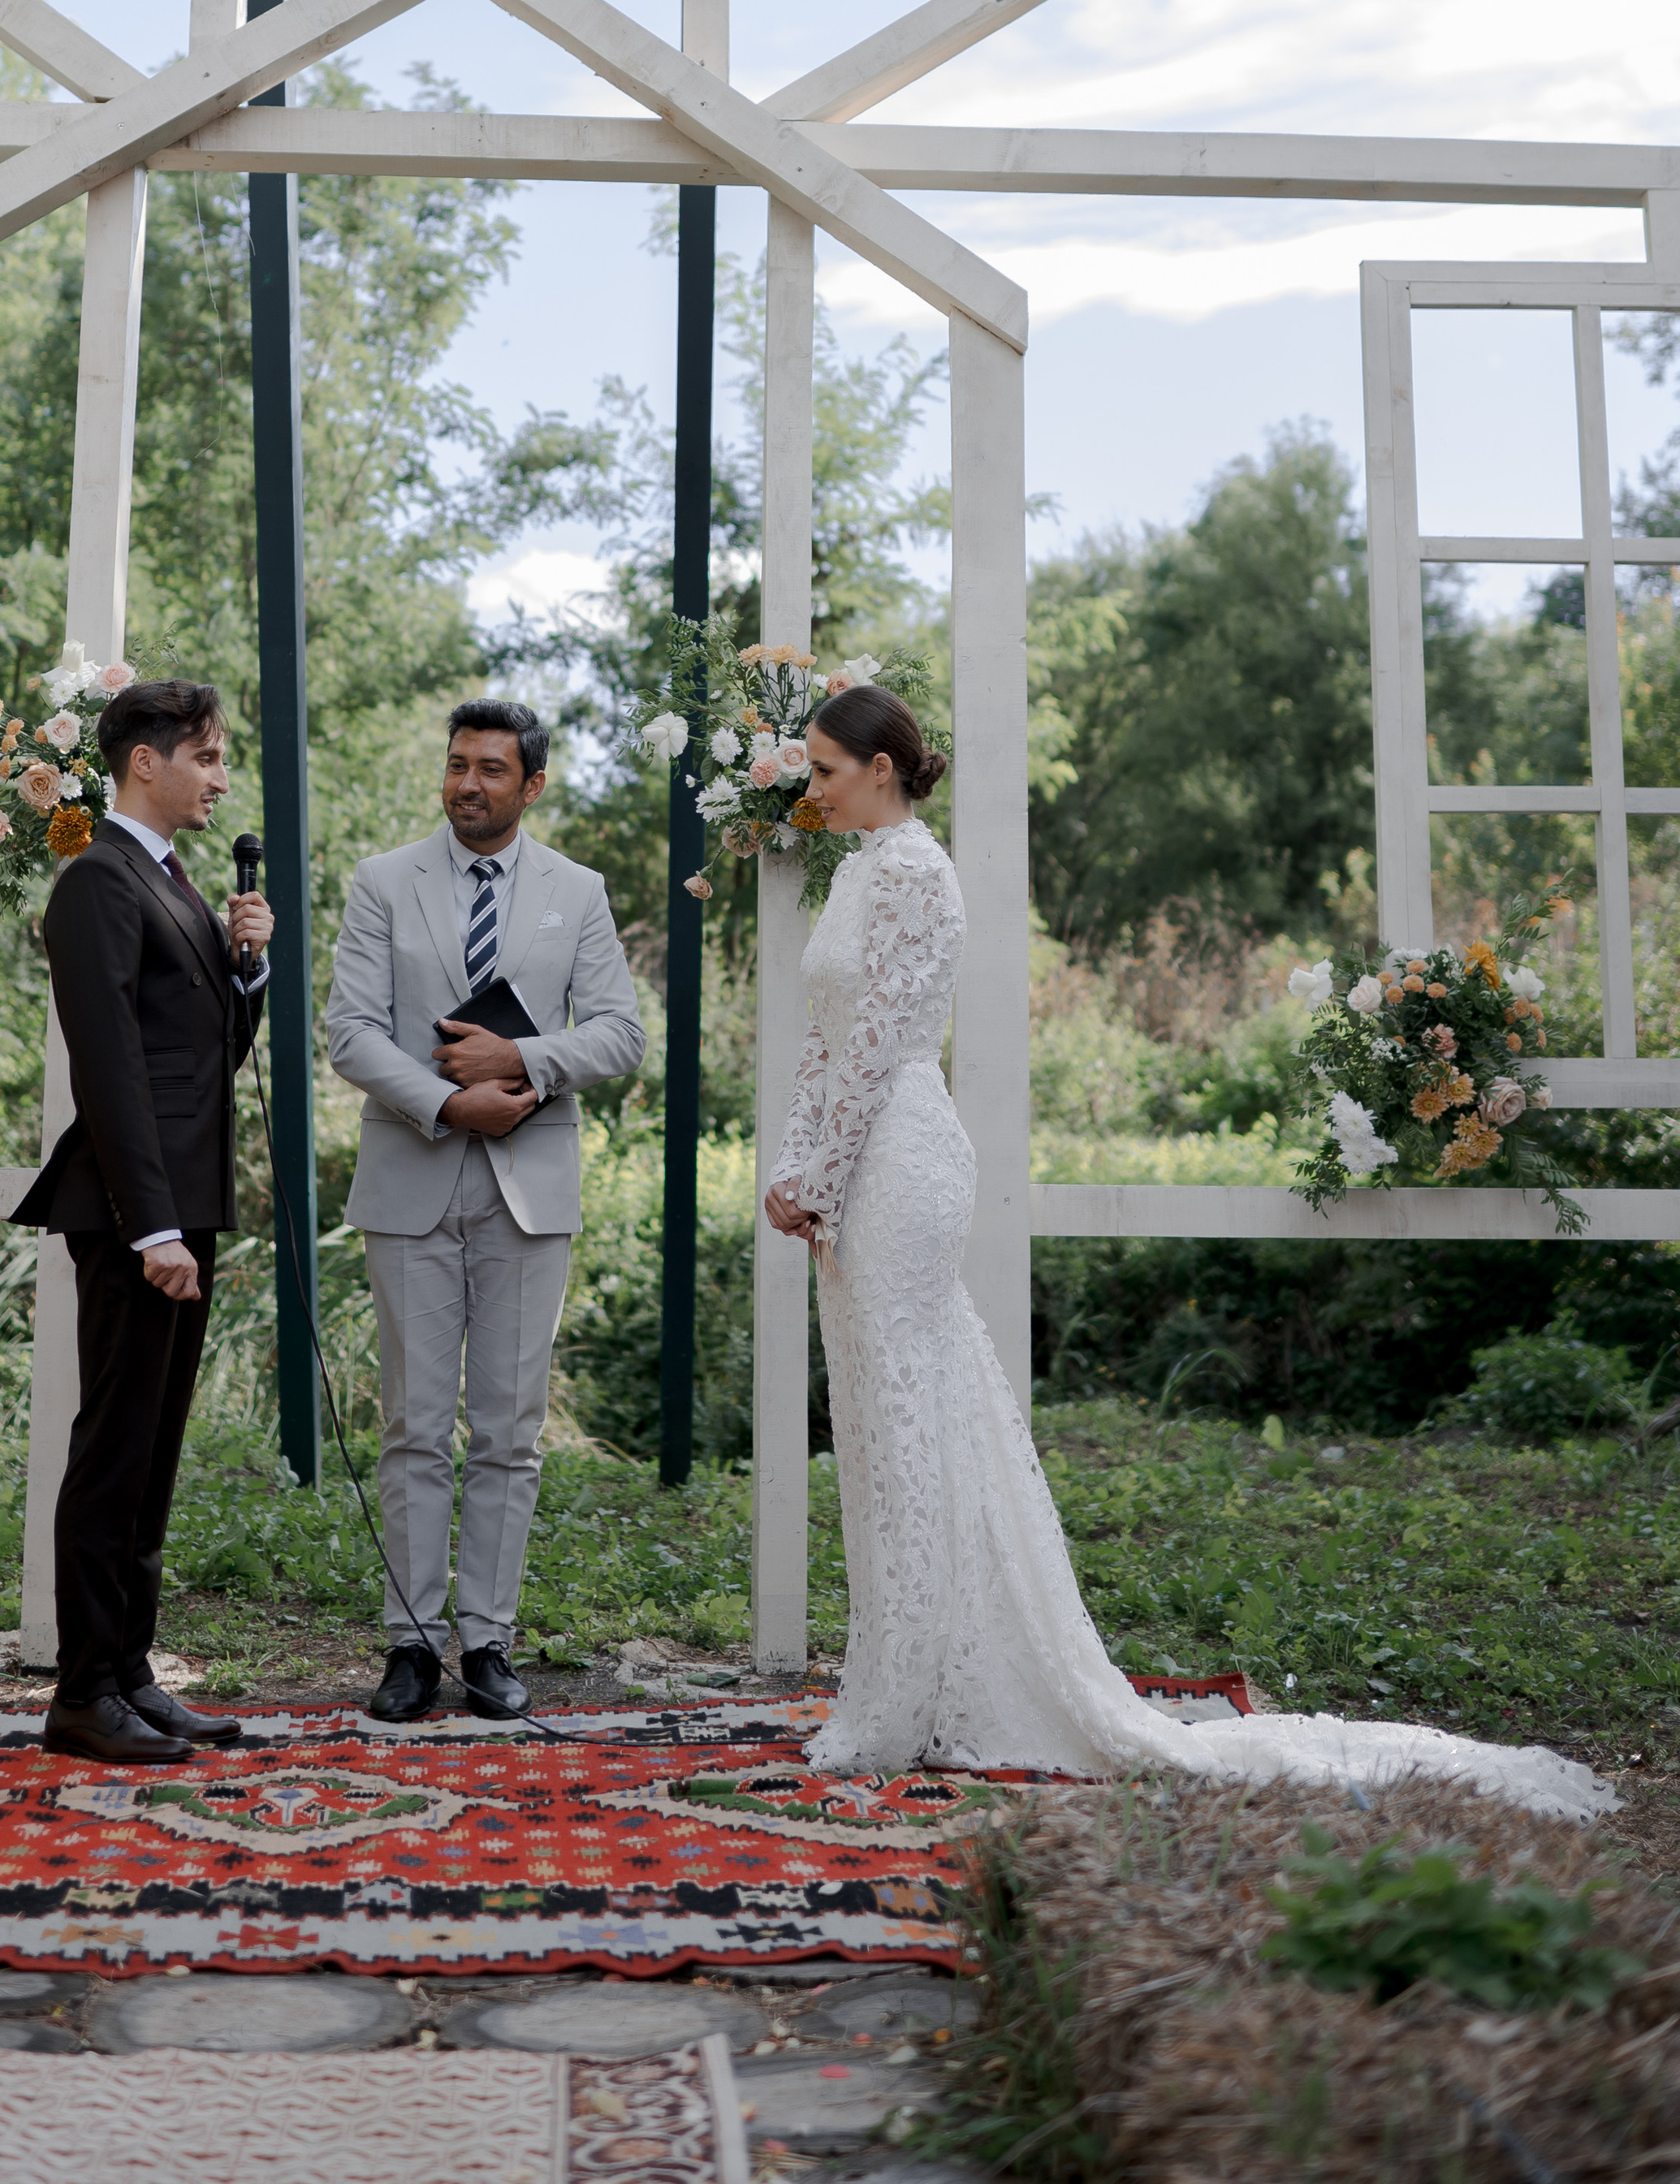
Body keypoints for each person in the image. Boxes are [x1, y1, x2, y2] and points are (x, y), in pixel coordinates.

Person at [762, 680, 1612, 1819]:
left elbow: (874, 1048)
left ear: (880, 768)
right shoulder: (857, 869)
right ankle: (898, 1679)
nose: (812, 789)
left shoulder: (917, 871)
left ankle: (904, 1699)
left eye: (825, 770)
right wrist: (795, 1170)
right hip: (851, 1165)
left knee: (907, 1417)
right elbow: (823, 1044)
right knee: (878, 1419)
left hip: (903, 1160)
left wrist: (819, 1177)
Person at [326, 699, 646, 1723]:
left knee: (509, 1430)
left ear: (531, 785)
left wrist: (523, 1058)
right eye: (458, 763)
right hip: (411, 1176)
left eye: (491, 768)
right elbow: (350, 1032)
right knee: (414, 1426)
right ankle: (411, 1646)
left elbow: (620, 1033)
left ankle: (489, 1642)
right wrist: (445, 1102)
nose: (468, 782)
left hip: (528, 1189)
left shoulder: (576, 891)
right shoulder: (382, 880)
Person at [12, 678, 274, 1766]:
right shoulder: (97, 880)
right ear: (145, 762)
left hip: (182, 1200)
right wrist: (151, 1228)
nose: (221, 778)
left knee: (154, 1451)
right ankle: (81, 1692)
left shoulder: (174, 881)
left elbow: (206, 1056)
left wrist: (248, 968)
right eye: (206, 757)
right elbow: (110, 1066)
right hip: (137, 1211)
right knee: (114, 1448)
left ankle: (129, 1672)